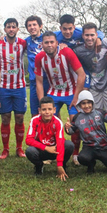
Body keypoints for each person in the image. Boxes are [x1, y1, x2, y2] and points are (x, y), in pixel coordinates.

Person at [34, 31, 86, 162]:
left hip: (71, 92)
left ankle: (75, 154)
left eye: (52, 42)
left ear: (57, 43)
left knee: (75, 122)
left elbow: (82, 74)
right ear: (42, 45)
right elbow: (39, 82)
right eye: (46, 42)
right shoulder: (39, 57)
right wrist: (42, 103)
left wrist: (76, 97)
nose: (49, 45)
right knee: (48, 121)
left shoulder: (66, 52)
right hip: (54, 92)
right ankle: (51, 153)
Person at [73, 23, 107, 151]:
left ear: (97, 34)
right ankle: (98, 147)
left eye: (92, 35)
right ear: (82, 35)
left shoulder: (105, 42)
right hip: (92, 87)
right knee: (94, 118)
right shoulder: (78, 50)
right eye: (87, 35)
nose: (89, 38)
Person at [0, 18, 28, 159]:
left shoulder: (23, 43)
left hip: (19, 86)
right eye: (8, 27)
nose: (11, 29)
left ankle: (19, 148)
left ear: (17, 29)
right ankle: (5, 149)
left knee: (19, 117)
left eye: (14, 27)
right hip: (3, 87)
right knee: (5, 118)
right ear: (5, 29)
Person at [64, 90, 107, 175]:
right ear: (79, 105)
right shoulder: (77, 117)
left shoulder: (100, 112)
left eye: (89, 102)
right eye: (83, 103)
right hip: (89, 147)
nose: (87, 106)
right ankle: (91, 164)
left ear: (92, 103)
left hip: (104, 147)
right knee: (82, 158)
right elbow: (70, 131)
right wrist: (67, 128)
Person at [25, 96, 74, 180]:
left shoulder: (58, 122)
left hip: (55, 150)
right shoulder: (34, 120)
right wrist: (46, 148)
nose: (47, 112)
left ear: (54, 110)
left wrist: (59, 164)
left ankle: (63, 165)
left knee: (69, 145)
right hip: (42, 150)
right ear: (39, 111)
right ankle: (39, 166)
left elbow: (60, 142)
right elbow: (28, 140)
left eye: (49, 109)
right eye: (44, 110)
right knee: (30, 151)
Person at [24, 15, 50, 118]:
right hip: (34, 81)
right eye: (29, 25)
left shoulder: (48, 39)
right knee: (35, 112)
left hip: (49, 80)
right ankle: (36, 134)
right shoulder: (25, 42)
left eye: (34, 24)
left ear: (40, 26)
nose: (32, 27)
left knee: (53, 111)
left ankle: (57, 133)